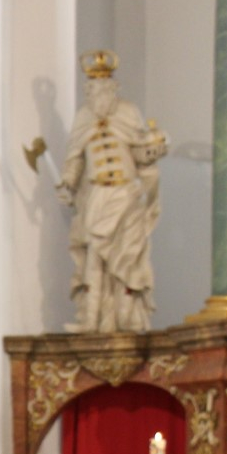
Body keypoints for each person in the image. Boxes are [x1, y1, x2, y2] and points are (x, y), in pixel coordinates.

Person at [56, 50, 166, 333]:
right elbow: (76, 158)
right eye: (92, 88)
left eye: (103, 87)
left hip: (127, 194)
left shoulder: (128, 111)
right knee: (94, 256)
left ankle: (128, 320)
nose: (98, 93)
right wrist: (68, 182)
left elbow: (139, 151)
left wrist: (152, 150)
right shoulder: (83, 117)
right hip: (97, 196)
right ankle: (90, 320)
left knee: (127, 258)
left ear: (113, 88)